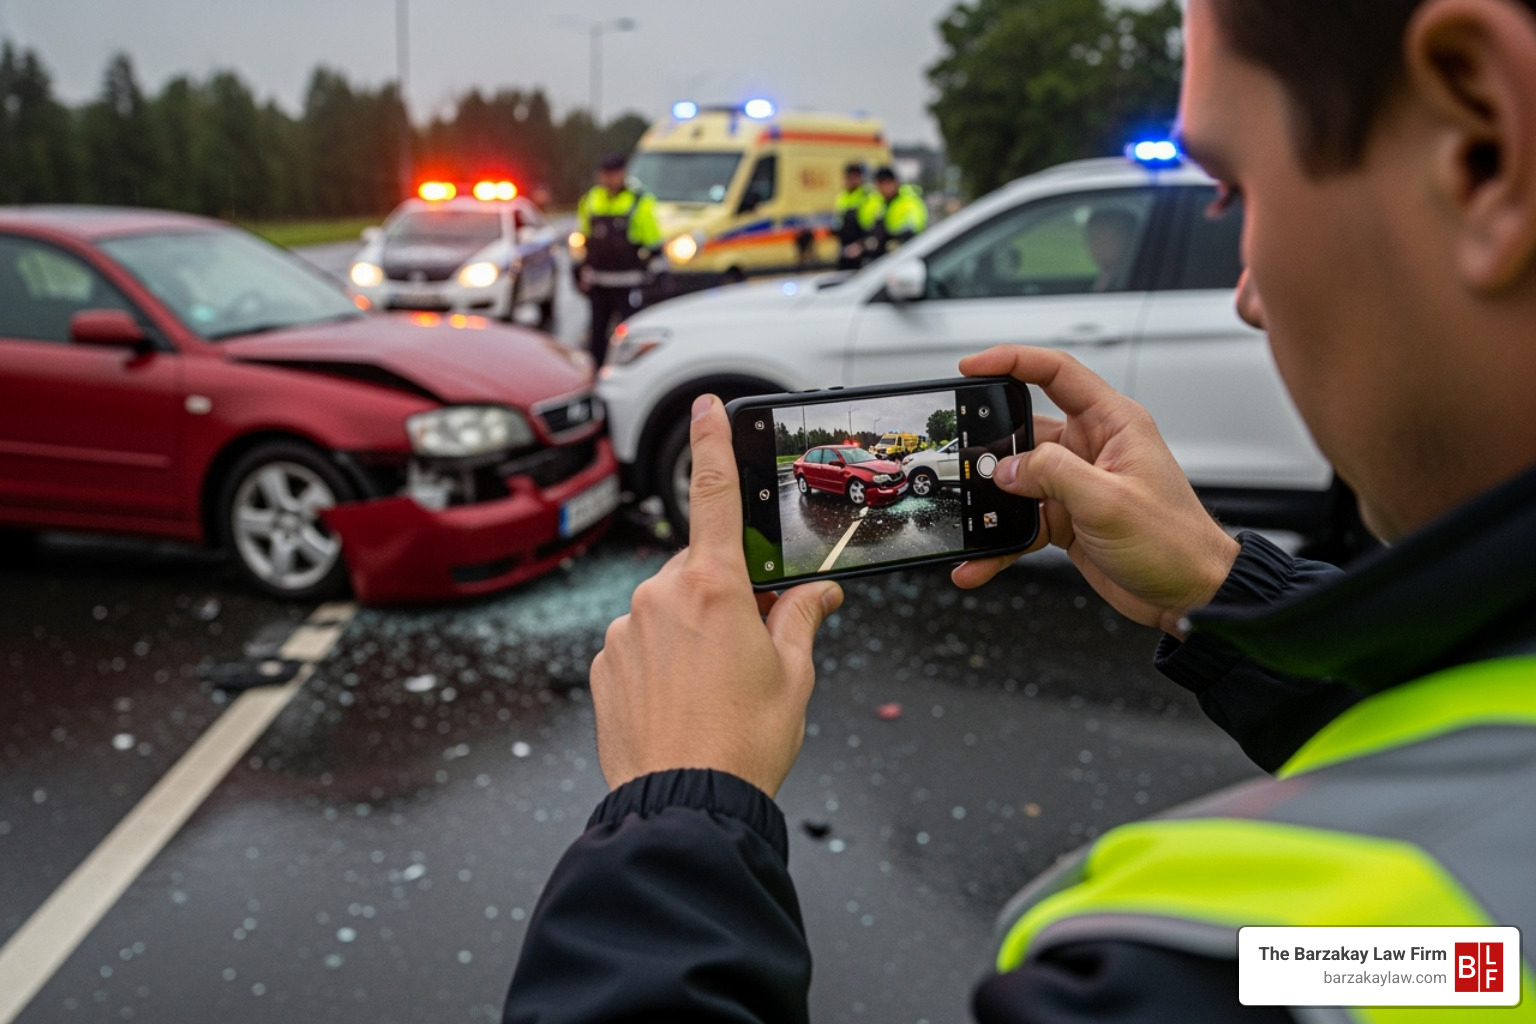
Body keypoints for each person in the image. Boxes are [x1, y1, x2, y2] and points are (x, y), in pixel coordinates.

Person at [504, 0, 1536, 1020]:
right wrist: (1227, 592)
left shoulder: (1194, 975)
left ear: (1482, 142)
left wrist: (676, 815)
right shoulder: (1433, 948)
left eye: (1235, 191)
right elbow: (1464, 935)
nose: (1245, 296)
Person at [574, 152, 662, 367]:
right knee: (597, 333)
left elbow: (653, 242)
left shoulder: (639, 201)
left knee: (631, 332)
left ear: (622, 173)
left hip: (628, 282)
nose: (609, 178)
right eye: (605, 173)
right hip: (599, 282)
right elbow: (583, 239)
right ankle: (596, 372)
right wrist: (580, 268)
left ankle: (632, 371)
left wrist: (656, 275)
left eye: (613, 173)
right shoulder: (590, 199)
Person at [867, 165, 928, 258]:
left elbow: (915, 229)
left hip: (906, 253)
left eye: (886, 183)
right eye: (879, 184)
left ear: (895, 182)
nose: (882, 188)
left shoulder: (909, 201)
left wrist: (897, 241)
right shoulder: (879, 202)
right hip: (885, 255)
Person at [1084, 207, 1140, 291]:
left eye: (1104, 236)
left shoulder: (1134, 282)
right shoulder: (1110, 276)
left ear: (1128, 239)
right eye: (1092, 237)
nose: (1095, 244)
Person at [833, 162, 874, 270]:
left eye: (855, 177)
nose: (852, 180)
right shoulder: (843, 196)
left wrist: (861, 244)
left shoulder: (867, 196)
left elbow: (871, 226)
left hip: (860, 247)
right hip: (845, 247)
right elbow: (839, 221)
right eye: (849, 177)